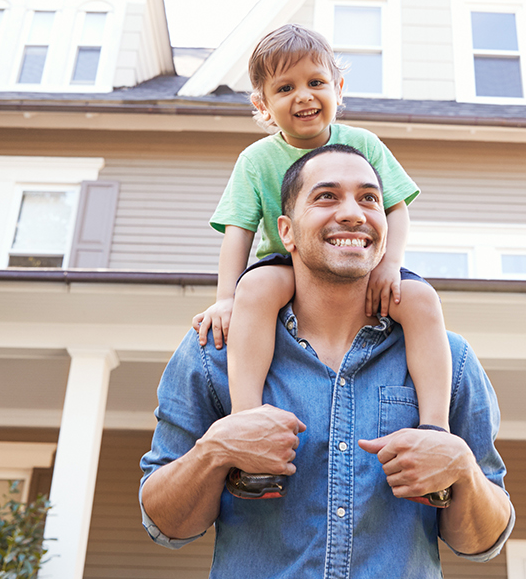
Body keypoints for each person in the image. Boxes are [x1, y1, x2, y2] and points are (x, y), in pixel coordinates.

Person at [142, 144, 515, 579]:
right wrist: (218, 449)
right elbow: (165, 521)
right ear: (285, 231)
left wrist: (462, 470)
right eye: (327, 197)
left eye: (369, 199)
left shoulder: (446, 360)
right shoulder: (214, 355)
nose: (353, 212)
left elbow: (486, 539)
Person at [193, 25, 453, 459]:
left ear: (339, 88)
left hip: (361, 258)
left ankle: (436, 427)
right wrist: (224, 298)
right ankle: (246, 418)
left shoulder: (363, 143)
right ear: (263, 105)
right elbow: (238, 230)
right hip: (287, 261)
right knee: (255, 290)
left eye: (316, 82)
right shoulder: (257, 160)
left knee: (422, 299)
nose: (304, 96)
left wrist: (390, 264)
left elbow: (395, 208)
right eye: (285, 87)